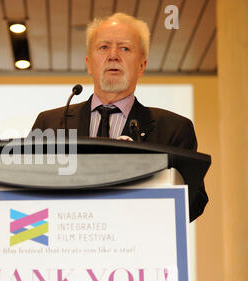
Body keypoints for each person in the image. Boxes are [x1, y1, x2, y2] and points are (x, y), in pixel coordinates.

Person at [31, 13, 208, 221]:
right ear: (89, 64)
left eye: (125, 48)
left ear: (142, 65)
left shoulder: (174, 129)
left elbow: (193, 202)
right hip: (68, 242)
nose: (113, 55)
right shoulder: (49, 124)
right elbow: (26, 191)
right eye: (104, 47)